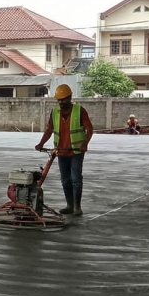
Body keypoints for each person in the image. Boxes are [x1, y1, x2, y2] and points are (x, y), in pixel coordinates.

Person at [35, 84, 94, 216]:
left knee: (76, 178)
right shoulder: (55, 112)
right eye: (59, 99)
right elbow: (49, 129)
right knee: (65, 179)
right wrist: (41, 143)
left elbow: (89, 129)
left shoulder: (80, 111)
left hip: (76, 152)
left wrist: (85, 143)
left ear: (70, 97)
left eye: (63, 99)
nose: (61, 102)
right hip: (61, 151)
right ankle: (69, 205)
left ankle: (77, 207)